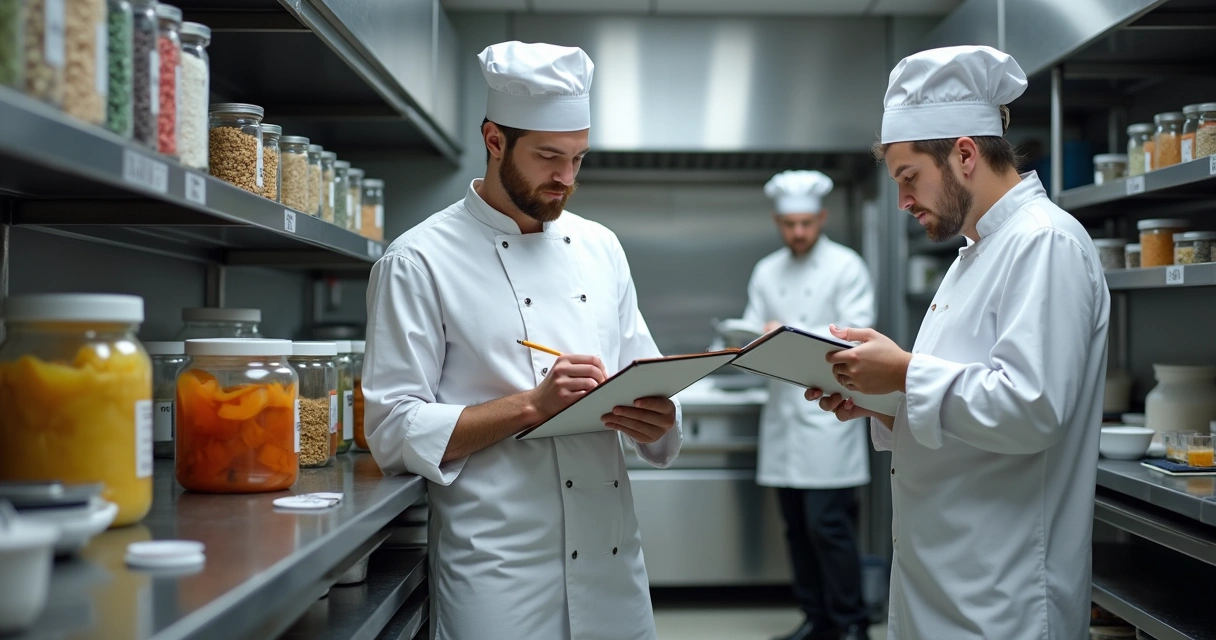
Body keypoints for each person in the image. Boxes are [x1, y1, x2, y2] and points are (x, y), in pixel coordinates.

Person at [362, 41, 682, 640]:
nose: (565, 178)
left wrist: (660, 416)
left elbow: (647, 367)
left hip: (612, 568)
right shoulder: (417, 260)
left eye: (578, 159)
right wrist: (533, 406)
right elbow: (392, 429)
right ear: (493, 139)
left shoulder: (601, 248)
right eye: (548, 157)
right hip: (500, 573)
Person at [807, 46, 1110, 640]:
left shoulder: (1043, 243)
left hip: (1005, 597)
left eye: (909, 178)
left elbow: (1031, 409)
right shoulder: (976, 254)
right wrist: (882, 397)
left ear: (964, 155)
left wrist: (902, 374)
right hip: (947, 584)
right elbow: (963, 395)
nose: (903, 201)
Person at [742, 170, 875, 640]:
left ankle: (850, 623)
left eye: (806, 222)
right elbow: (749, 335)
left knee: (828, 528)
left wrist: (787, 334)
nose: (798, 232)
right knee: (796, 528)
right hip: (782, 418)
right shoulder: (766, 271)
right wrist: (754, 339)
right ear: (779, 222)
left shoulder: (846, 267)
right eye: (789, 224)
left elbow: (858, 338)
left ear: (821, 217)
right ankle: (816, 619)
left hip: (828, 415)